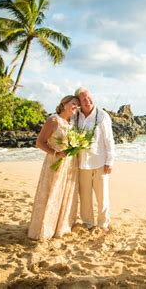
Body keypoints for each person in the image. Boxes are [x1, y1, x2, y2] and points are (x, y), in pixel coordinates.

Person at [27, 95, 80, 240]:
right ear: (64, 104)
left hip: (70, 165)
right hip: (55, 162)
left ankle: (60, 227)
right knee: (52, 193)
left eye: (77, 105)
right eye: (73, 103)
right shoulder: (53, 120)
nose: (76, 106)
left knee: (64, 195)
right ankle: (45, 228)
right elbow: (40, 142)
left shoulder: (71, 123)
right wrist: (56, 153)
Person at [74, 87, 115, 231]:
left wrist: (109, 161)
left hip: (100, 163)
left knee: (102, 196)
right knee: (85, 196)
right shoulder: (76, 116)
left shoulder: (102, 116)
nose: (88, 101)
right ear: (78, 102)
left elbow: (109, 140)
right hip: (82, 163)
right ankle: (88, 223)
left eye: (89, 97)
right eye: (83, 99)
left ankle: (103, 224)